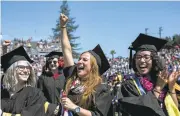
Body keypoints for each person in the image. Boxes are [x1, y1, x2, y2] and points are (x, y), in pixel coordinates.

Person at [59, 13, 112, 116]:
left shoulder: (101, 89)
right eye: (79, 59)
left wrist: (75, 108)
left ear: (93, 67)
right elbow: (67, 51)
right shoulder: (72, 76)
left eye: (84, 60)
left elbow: (97, 115)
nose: (79, 62)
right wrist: (63, 27)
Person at [118, 33, 180, 116]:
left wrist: (171, 87)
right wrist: (158, 88)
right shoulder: (129, 85)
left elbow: (175, 109)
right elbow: (138, 111)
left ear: (154, 60)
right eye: (138, 57)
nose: (142, 60)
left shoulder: (161, 80)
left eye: (146, 57)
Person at [1, 46, 58, 116]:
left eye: (28, 67)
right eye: (21, 67)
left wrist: (3, 114)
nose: (26, 70)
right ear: (11, 70)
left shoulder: (35, 94)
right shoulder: (3, 93)